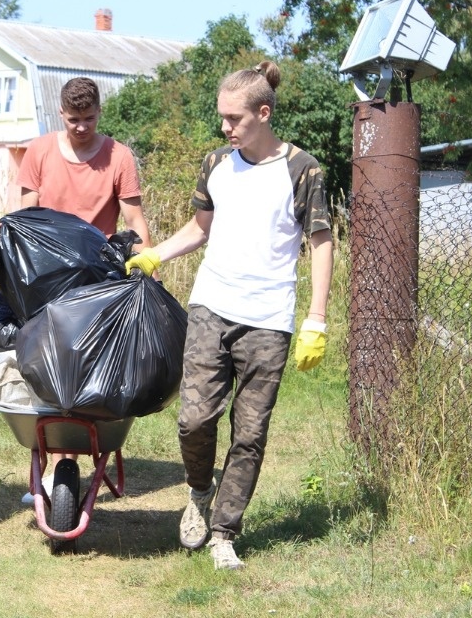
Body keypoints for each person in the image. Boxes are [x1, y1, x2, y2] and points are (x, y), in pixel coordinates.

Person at [126, 61, 333, 570]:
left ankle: (224, 531)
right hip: (211, 308)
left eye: (234, 118)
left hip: (269, 320)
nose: (225, 127)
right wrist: (157, 254)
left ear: (263, 114)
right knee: (194, 418)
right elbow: (201, 229)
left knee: (250, 432)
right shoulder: (217, 162)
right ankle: (199, 491)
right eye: (222, 117)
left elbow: (322, 241)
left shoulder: (303, 170)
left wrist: (317, 319)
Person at [15, 76, 156, 503]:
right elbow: (25, 211)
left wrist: (147, 265)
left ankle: (75, 454)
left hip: (97, 277)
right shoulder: (39, 151)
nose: (81, 127)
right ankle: (53, 462)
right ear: (61, 114)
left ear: (99, 113)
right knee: (46, 363)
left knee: (85, 366)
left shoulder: (119, 157)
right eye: (74, 119)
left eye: (89, 118)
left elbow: (134, 218)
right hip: (46, 274)